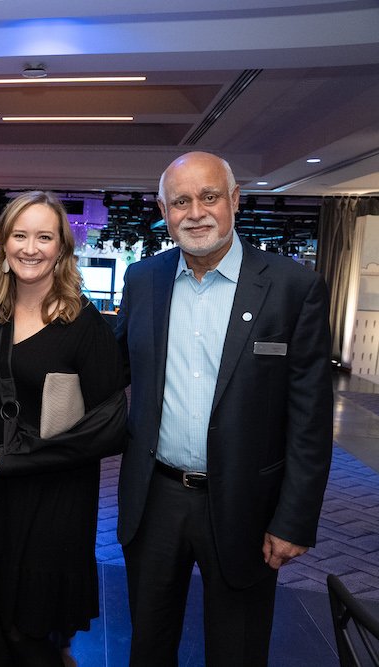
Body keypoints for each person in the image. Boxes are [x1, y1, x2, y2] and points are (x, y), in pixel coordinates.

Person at [114, 151, 333, 666]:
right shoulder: (144, 280)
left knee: (237, 649)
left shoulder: (292, 288)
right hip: (155, 499)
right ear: (164, 211)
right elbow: (111, 369)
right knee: (147, 644)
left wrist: (294, 520)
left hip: (247, 505)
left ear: (234, 200)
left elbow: (310, 419)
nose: (196, 213)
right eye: (181, 202)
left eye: (209, 197)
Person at [0, 191, 126, 666]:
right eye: (20, 235)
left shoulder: (84, 324)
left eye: (44, 237)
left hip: (50, 494)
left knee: (25, 630)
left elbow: (109, 426)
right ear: (3, 244)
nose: (31, 248)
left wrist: (17, 459)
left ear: (61, 249)